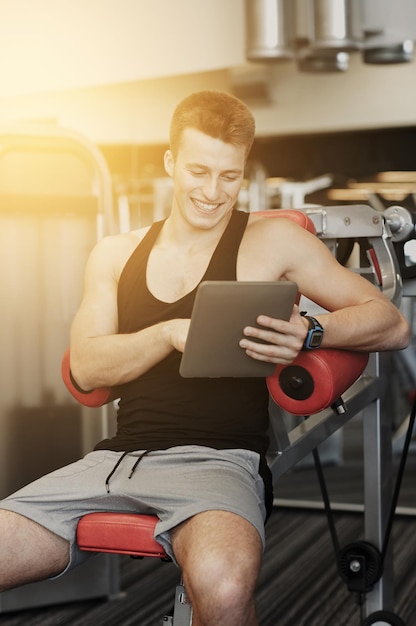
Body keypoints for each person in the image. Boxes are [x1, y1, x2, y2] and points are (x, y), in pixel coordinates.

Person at [0, 90, 410, 626]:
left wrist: (312, 331)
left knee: (222, 588)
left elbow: (391, 322)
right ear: (170, 162)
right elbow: (86, 367)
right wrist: (168, 333)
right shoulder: (116, 253)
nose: (213, 193)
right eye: (199, 171)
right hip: (110, 464)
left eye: (230, 176)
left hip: (217, 462)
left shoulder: (270, 242)